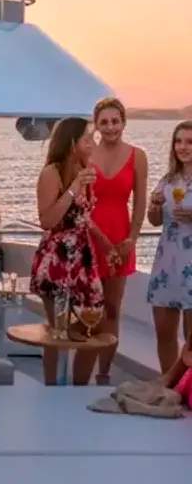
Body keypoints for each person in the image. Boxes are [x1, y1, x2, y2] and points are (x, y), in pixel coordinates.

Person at [30, 117, 105, 386]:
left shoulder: (87, 169)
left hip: (83, 258)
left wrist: (107, 245)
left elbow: (83, 218)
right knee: (57, 331)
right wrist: (74, 187)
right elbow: (48, 221)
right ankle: (53, 388)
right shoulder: (52, 172)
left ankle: (78, 387)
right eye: (88, 138)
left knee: (94, 323)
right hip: (58, 259)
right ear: (73, 143)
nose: (93, 143)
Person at [90, 97, 148, 384]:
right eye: (104, 122)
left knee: (112, 307)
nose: (110, 127)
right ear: (96, 125)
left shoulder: (137, 156)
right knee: (88, 307)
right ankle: (81, 370)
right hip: (90, 237)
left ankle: (104, 372)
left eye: (115, 121)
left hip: (121, 237)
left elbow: (140, 202)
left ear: (124, 122)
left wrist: (132, 239)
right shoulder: (86, 155)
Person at [146, 121, 192, 373]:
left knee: (191, 340)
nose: (183, 147)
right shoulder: (167, 179)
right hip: (167, 262)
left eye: (189, 142)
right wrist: (154, 207)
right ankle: (168, 385)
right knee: (164, 333)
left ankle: (188, 390)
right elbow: (154, 221)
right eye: (178, 141)